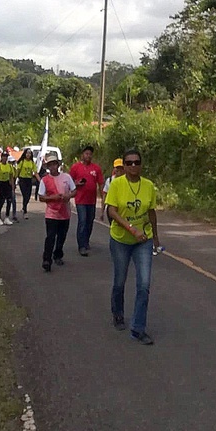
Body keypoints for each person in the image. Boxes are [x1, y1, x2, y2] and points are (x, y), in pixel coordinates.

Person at [105, 149, 161, 345]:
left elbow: (151, 212)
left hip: (143, 241)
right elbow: (112, 211)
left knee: (144, 285)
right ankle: (118, 314)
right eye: (128, 163)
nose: (133, 166)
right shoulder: (117, 184)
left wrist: (155, 238)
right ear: (124, 166)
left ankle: (138, 328)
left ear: (141, 164)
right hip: (120, 239)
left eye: (136, 162)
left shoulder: (149, 186)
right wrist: (131, 229)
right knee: (120, 281)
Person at [38, 153, 76, 272]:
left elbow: (74, 190)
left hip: (64, 212)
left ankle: (58, 254)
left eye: (55, 164)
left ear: (58, 165)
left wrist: (68, 195)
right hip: (51, 213)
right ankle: (47, 259)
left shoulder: (66, 177)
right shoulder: (45, 180)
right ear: (48, 167)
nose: (53, 167)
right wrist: (53, 197)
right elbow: (41, 197)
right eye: (51, 165)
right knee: (50, 237)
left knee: (62, 236)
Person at [69, 145, 104, 256]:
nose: (88, 156)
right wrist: (76, 184)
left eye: (90, 154)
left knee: (89, 222)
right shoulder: (76, 167)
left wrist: (103, 195)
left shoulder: (96, 168)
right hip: (80, 200)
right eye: (86, 154)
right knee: (82, 221)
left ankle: (86, 240)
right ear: (82, 155)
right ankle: (81, 246)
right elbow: (69, 181)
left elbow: (101, 183)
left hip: (92, 200)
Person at [17, 148, 41, 219]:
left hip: (29, 180)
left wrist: (40, 181)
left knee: (28, 196)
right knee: (25, 195)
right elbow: (18, 171)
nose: (28, 154)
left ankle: (24, 207)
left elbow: (35, 173)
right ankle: (25, 211)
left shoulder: (32, 163)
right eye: (27, 153)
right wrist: (14, 179)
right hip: (22, 180)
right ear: (25, 154)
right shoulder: (22, 162)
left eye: (29, 153)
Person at [0, 151, 15, 226]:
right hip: (1, 184)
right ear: (1, 157)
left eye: (6, 156)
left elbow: (11, 177)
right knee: (1, 201)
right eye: (3, 156)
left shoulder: (9, 166)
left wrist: (13, 188)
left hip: (7, 184)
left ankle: (7, 217)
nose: (5, 158)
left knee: (9, 201)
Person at [101, 159, 125, 223]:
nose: (119, 170)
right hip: (112, 208)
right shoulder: (110, 180)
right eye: (117, 168)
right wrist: (102, 211)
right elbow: (104, 196)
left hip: (124, 208)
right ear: (114, 168)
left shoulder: (128, 180)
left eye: (121, 168)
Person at [8, 155, 20, 222]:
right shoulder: (6, 168)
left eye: (13, 162)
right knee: (6, 201)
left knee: (13, 201)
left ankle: (14, 215)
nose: (12, 164)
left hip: (12, 187)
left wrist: (14, 186)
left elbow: (15, 178)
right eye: (11, 162)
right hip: (6, 186)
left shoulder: (15, 169)